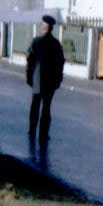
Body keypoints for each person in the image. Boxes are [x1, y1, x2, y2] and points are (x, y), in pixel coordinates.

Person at [25, 14, 65, 144]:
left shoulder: (36, 42)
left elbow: (30, 60)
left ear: (44, 27)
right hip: (51, 81)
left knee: (35, 105)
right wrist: (58, 80)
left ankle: (32, 130)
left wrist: (29, 76)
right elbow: (60, 63)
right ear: (52, 28)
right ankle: (43, 134)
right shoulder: (56, 44)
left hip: (37, 79)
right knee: (46, 107)